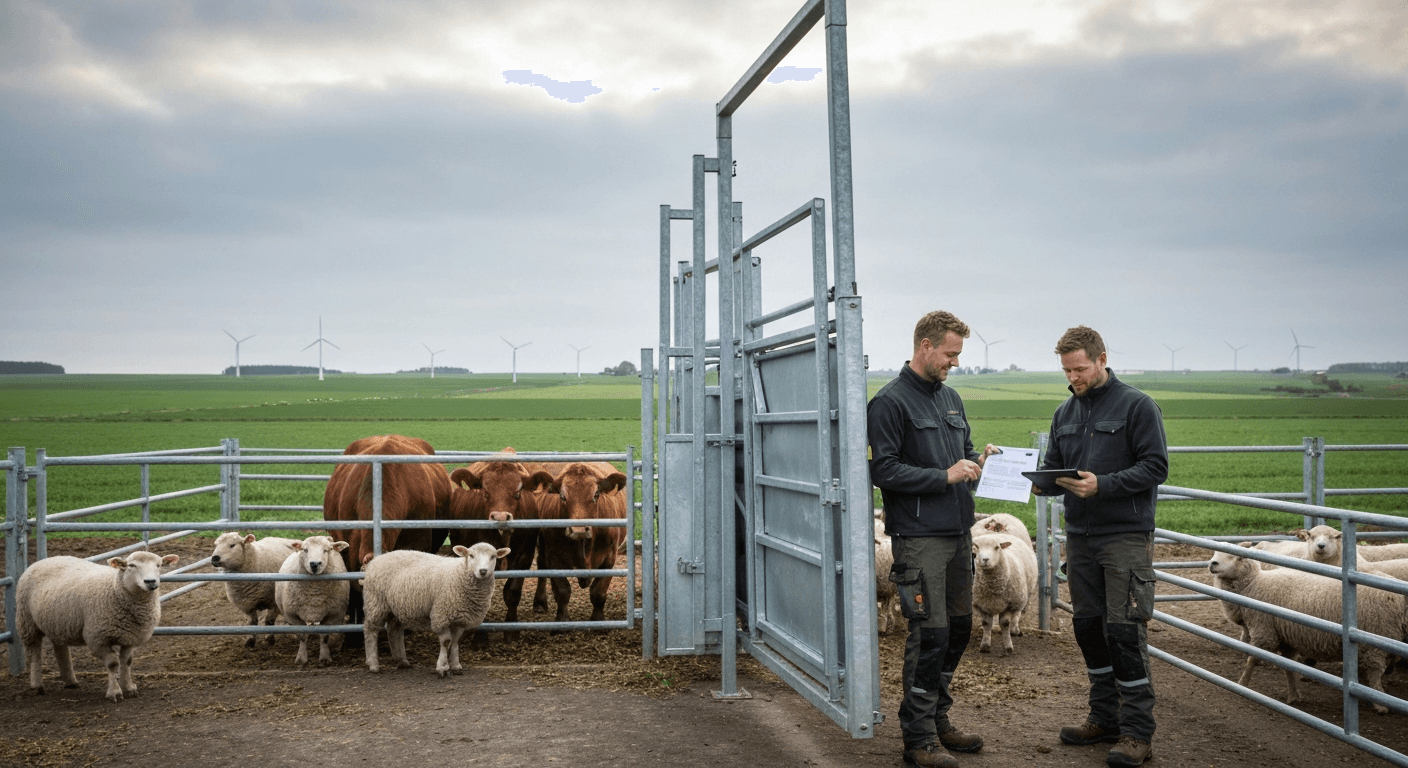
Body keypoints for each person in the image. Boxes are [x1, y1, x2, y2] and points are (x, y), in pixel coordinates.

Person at [868, 310, 999, 768]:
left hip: (959, 532)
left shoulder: (951, 400)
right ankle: (918, 738)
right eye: (950, 354)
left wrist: (980, 461)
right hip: (919, 537)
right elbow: (882, 469)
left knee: (959, 628)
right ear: (925, 346)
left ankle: (939, 717)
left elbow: (962, 456)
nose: (955, 363)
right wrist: (944, 475)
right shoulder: (889, 403)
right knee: (929, 634)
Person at [1035, 326, 1168, 767]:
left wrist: (1104, 485)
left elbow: (1156, 466)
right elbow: (1055, 467)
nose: (1073, 377)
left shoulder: (1137, 406)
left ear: (1101, 359)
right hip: (1080, 537)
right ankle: (1103, 717)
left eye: (1079, 368)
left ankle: (1136, 733)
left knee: (1125, 630)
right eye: (1066, 370)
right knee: (1088, 627)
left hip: (1124, 535)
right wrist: (1041, 483)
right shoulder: (1064, 413)